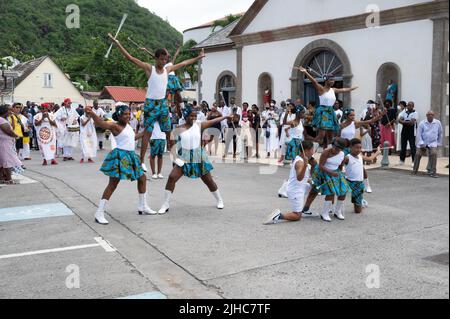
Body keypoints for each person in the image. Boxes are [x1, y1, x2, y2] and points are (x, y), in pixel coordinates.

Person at [108, 33, 205, 172]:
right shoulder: (150, 68)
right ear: (156, 58)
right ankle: (141, 161)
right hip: (151, 104)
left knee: (168, 132)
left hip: (162, 104)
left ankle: (175, 157)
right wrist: (117, 43)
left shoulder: (168, 69)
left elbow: (183, 63)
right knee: (147, 132)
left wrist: (198, 57)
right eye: (162, 59)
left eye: (166, 59)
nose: (164, 61)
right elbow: (130, 58)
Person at [85, 104, 157, 225]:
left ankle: (143, 206)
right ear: (119, 115)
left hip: (131, 156)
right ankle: (99, 212)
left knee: (142, 178)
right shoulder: (115, 125)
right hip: (120, 156)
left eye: (129, 114)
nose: (128, 116)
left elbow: (132, 138)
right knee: (112, 184)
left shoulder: (128, 126)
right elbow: (101, 123)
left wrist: (144, 132)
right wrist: (92, 113)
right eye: (125, 114)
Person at [157, 105, 232, 215]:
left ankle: (219, 200)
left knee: (208, 180)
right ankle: (165, 204)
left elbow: (213, 121)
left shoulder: (199, 125)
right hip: (185, 156)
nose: (193, 118)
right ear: (186, 116)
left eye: (195, 116)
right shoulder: (178, 129)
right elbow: (171, 146)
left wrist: (225, 117)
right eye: (191, 116)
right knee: (172, 177)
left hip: (198, 155)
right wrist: (176, 159)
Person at [297, 67, 358, 148]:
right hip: (323, 111)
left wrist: (352, 88)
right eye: (331, 80)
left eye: (333, 80)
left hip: (330, 111)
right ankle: (307, 146)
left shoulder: (333, 90)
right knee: (321, 136)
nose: (333, 81)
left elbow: (343, 90)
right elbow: (314, 81)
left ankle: (329, 149)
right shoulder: (321, 89)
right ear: (326, 80)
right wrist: (306, 72)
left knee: (331, 135)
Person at [264, 141, 316, 224]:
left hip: (301, 187)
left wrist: (309, 180)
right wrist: (306, 165)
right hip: (296, 190)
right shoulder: (300, 163)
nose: (313, 152)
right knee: (297, 216)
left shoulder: (300, 158)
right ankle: (278, 216)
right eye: (312, 149)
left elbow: (302, 177)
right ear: (306, 151)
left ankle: (305, 210)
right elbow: (299, 178)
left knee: (315, 188)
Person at [302, 138, 349, 222]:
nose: (335, 149)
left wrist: (340, 174)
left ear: (341, 149)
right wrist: (331, 173)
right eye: (334, 146)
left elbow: (340, 165)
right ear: (333, 145)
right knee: (316, 191)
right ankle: (316, 212)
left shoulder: (342, 154)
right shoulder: (326, 152)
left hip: (335, 172)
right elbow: (321, 166)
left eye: (338, 148)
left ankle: (337, 211)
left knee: (343, 191)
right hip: (322, 172)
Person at [342, 139, 381, 215]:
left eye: (360, 148)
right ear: (350, 147)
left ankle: (361, 202)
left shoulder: (360, 156)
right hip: (348, 181)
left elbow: (369, 159)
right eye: (356, 147)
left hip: (359, 183)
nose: (359, 150)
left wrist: (377, 152)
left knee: (358, 211)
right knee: (341, 195)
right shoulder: (347, 157)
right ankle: (335, 209)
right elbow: (340, 165)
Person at [413, 110, 443, 178]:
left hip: (433, 143)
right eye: (429, 114)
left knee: (434, 154)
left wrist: (438, 143)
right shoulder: (422, 123)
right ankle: (414, 170)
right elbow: (418, 134)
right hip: (422, 143)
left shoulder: (438, 123)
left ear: (434, 116)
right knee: (418, 154)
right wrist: (421, 143)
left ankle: (433, 172)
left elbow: (440, 133)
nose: (430, 116)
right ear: (426, 115)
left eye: (432, 115)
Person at [0, 104, 22, 184]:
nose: (11, 111)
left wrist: (12, 118)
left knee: (2, 161)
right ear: (4, 111)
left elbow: (11, 127)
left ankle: (2, 178)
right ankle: (9, 179)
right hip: (4, 143)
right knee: (7, 160)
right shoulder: (1, 120)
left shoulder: (4, 119)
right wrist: (16, 136)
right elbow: (8, 131)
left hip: (5, 142)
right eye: (9, 110)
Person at [398, 101, 419, 167]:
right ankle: (402, 160)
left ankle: (414, 161)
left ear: (413, 106)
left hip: (411, 131)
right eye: (408, 105)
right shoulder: (404, 112)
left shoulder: (415, 113)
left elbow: (412, 123)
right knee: (403, 145)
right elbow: (399, 120)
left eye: (411, 105)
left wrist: (403, 122)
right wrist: (407, 122)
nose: (409, 106)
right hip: (404, 130)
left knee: (412, 146)